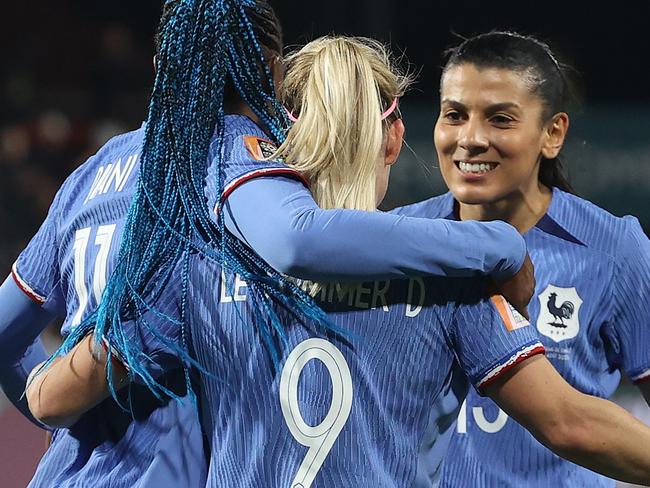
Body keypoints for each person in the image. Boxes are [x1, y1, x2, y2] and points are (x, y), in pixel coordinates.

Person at [44, 33, 650, 487]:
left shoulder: (203, 262)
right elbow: (571, 424)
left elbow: (59, 397)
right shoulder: (449, 278)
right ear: (393, 140)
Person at [392, 31, 650, 487]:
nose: (470, 139)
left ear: (552, 133)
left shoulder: (615, 251)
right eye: (454, 115)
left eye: (500, 119)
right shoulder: (397, 243)